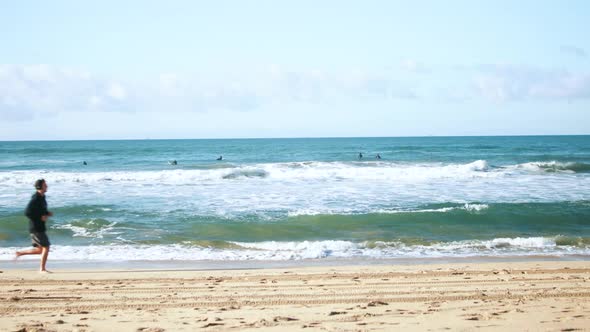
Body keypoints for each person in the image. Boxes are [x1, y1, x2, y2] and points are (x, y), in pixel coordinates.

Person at [15, 179, 53, 272]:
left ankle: (20, 253)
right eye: (45, 185)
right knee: (46, 247)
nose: (47, 186)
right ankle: (42, 269)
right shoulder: (36, 198)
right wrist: (40, 217)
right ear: (40, 187)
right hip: (36, 227)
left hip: (38, 227)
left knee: (40, 250)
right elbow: (27, 212)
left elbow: (39, 209)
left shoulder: (42, 197)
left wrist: (46, 213)